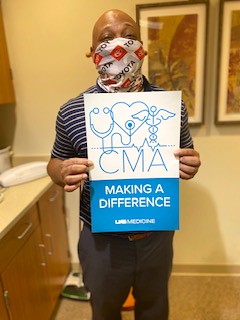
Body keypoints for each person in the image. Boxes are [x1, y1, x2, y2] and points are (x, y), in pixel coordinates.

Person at [47, 8, 201, 320]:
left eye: (129, 36)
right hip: (100, 239)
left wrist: (190, 165)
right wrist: (60, 172)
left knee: (154, 309)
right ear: (92, 54)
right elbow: (54, 161)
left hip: (155, 235)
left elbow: (186, 155)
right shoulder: (72, 111)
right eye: (106, 39)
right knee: (104, 311)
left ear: (142, 46)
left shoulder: (170, 107)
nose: (119, 46)